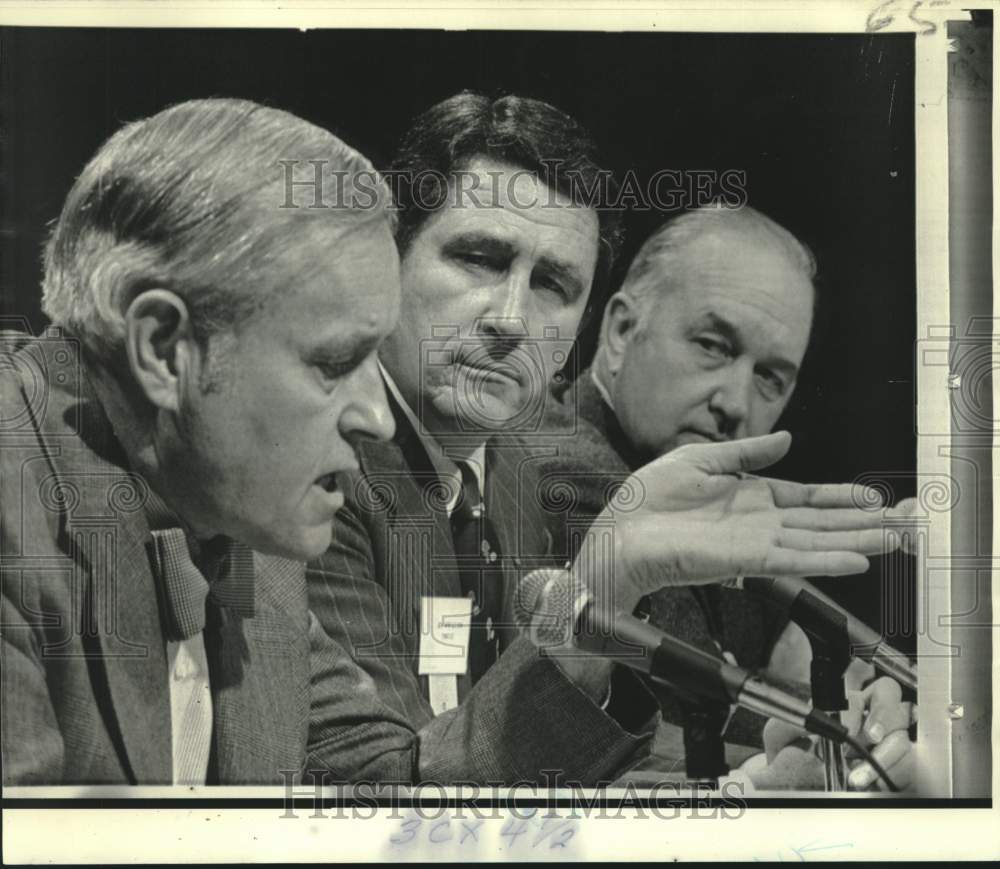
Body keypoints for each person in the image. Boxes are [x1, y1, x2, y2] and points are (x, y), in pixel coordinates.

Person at [306, 94, 905, 786]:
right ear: (388, 261)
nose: (511, 319)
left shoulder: (505, 472)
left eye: (553, 285)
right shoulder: (314, 469)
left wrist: (735, 783)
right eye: (478, 258)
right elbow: (388, 798)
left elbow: (521, 749)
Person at [0, 98, 419, 784]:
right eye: (336, 362)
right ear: (166, 348)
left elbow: (390, 792)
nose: (379, 417)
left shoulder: (235, 507)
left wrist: (578, 634)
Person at [542, 205, 915, 790]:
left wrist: (858, 689)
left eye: (771, 377)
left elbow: (791, 660)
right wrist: (850, 715)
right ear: (619, 332)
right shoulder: (560, 470)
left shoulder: (712, 491)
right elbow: (680, 704)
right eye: (714, 345)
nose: (737, 403)